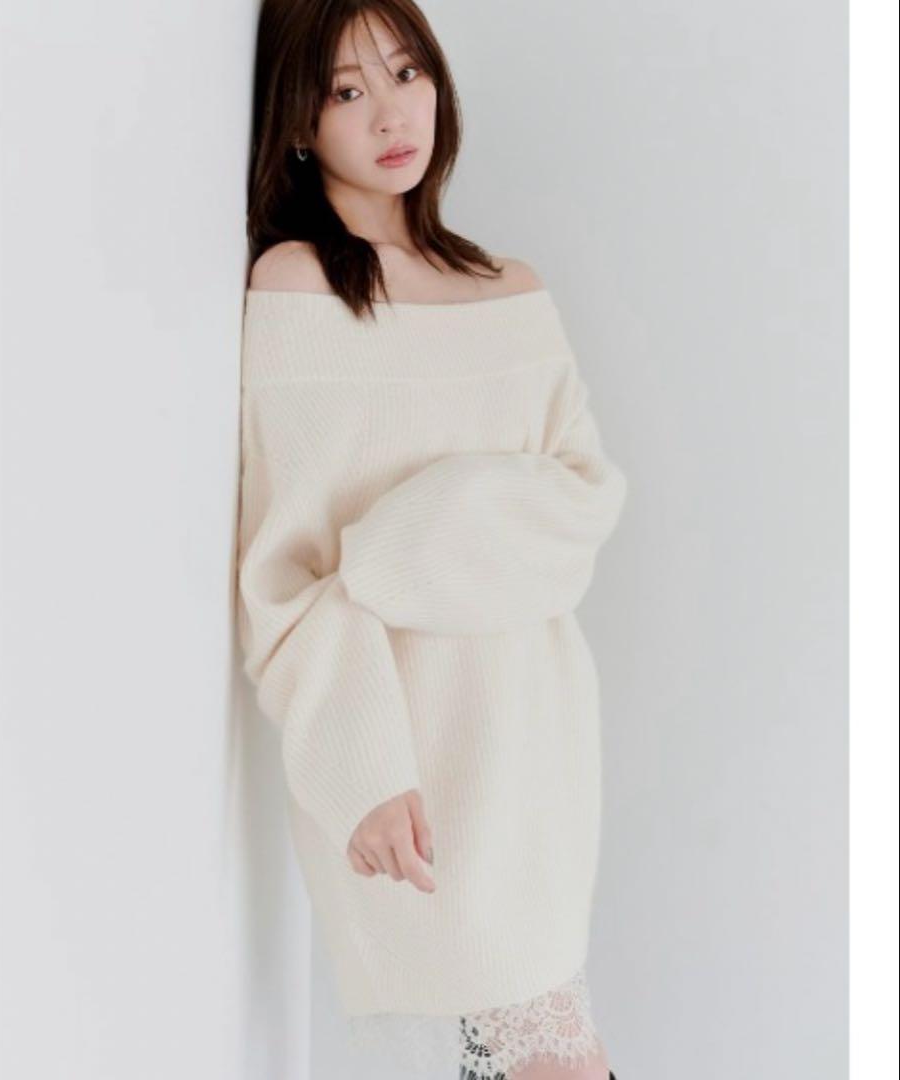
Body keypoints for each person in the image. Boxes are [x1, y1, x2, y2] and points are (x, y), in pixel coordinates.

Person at [236, 3, 627, 1077]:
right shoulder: (296, 289)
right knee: (555, 1059)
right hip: (410, 758)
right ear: (300, 122)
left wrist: (403, 544)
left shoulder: (513, 290)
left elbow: (582, 506)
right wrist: (362, 768)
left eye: (405, 74)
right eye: (346, 91)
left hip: (538, 736)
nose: (389, 113)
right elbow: (286, 576)